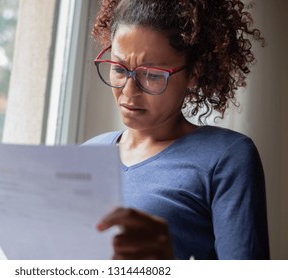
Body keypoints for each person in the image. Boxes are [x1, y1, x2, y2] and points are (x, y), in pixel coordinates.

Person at [84, 0, 270, 260]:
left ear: (194, 72)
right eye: (119, 69)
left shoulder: (226, 157)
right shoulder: (88, 153)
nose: (128, 91)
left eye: (151, 74)